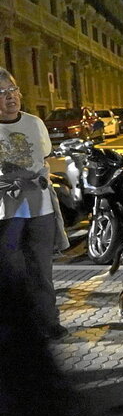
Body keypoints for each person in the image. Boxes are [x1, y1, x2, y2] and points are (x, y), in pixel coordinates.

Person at [0, 67, 69, 341]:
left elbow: (45, 159)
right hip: (6, 214)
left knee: (42, 270)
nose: (10, 97)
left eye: (12, 90)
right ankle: (19, 328)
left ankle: (49, 322)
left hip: (40, 210)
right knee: (13, 274)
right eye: (2, 93)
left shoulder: (34, 122)